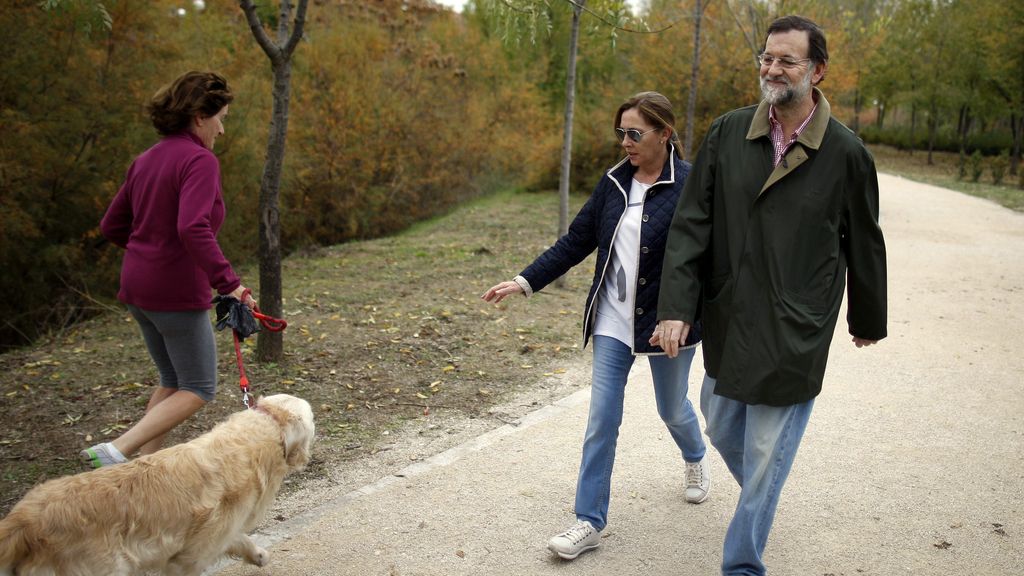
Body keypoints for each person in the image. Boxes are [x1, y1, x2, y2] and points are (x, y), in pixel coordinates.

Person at [652, 16, 887, 575]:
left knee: (763, 453)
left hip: (795, 322)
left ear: (817, 70)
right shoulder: (728, 132)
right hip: (731, 312)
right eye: (767, 58)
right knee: (719, 422)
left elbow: (865, 239)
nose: (772, 69)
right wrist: (676, 308)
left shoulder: (847, 153)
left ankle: (742, 563)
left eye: (787, 60)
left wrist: (867, 317)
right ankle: (762, 495)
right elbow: (691, 224)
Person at [482, 92, 710, 561]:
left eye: (635, 133)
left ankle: (694, 456)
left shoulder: (691, 184)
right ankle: (589, 521)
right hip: (611, 319)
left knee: (672, 408)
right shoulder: (613, 184)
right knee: (602, 418)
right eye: (620, 133)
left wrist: (683, 314)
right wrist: (525, 281)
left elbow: (706, 259)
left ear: (664, 134)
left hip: (666, 323)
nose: (625, 142)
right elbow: (576, 241)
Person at [81, 71, 255, 469]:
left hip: (137, 287)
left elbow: (112, 226)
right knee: (199, 387)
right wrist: (230, 284)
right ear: (199, 116)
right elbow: (192, 227)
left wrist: (150, 251)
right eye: (220, 119)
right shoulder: (200, 160)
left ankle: (139, 470)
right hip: (174, 292)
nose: (222, 130)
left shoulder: (146, 159)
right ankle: (117, 450)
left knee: (173, 381)